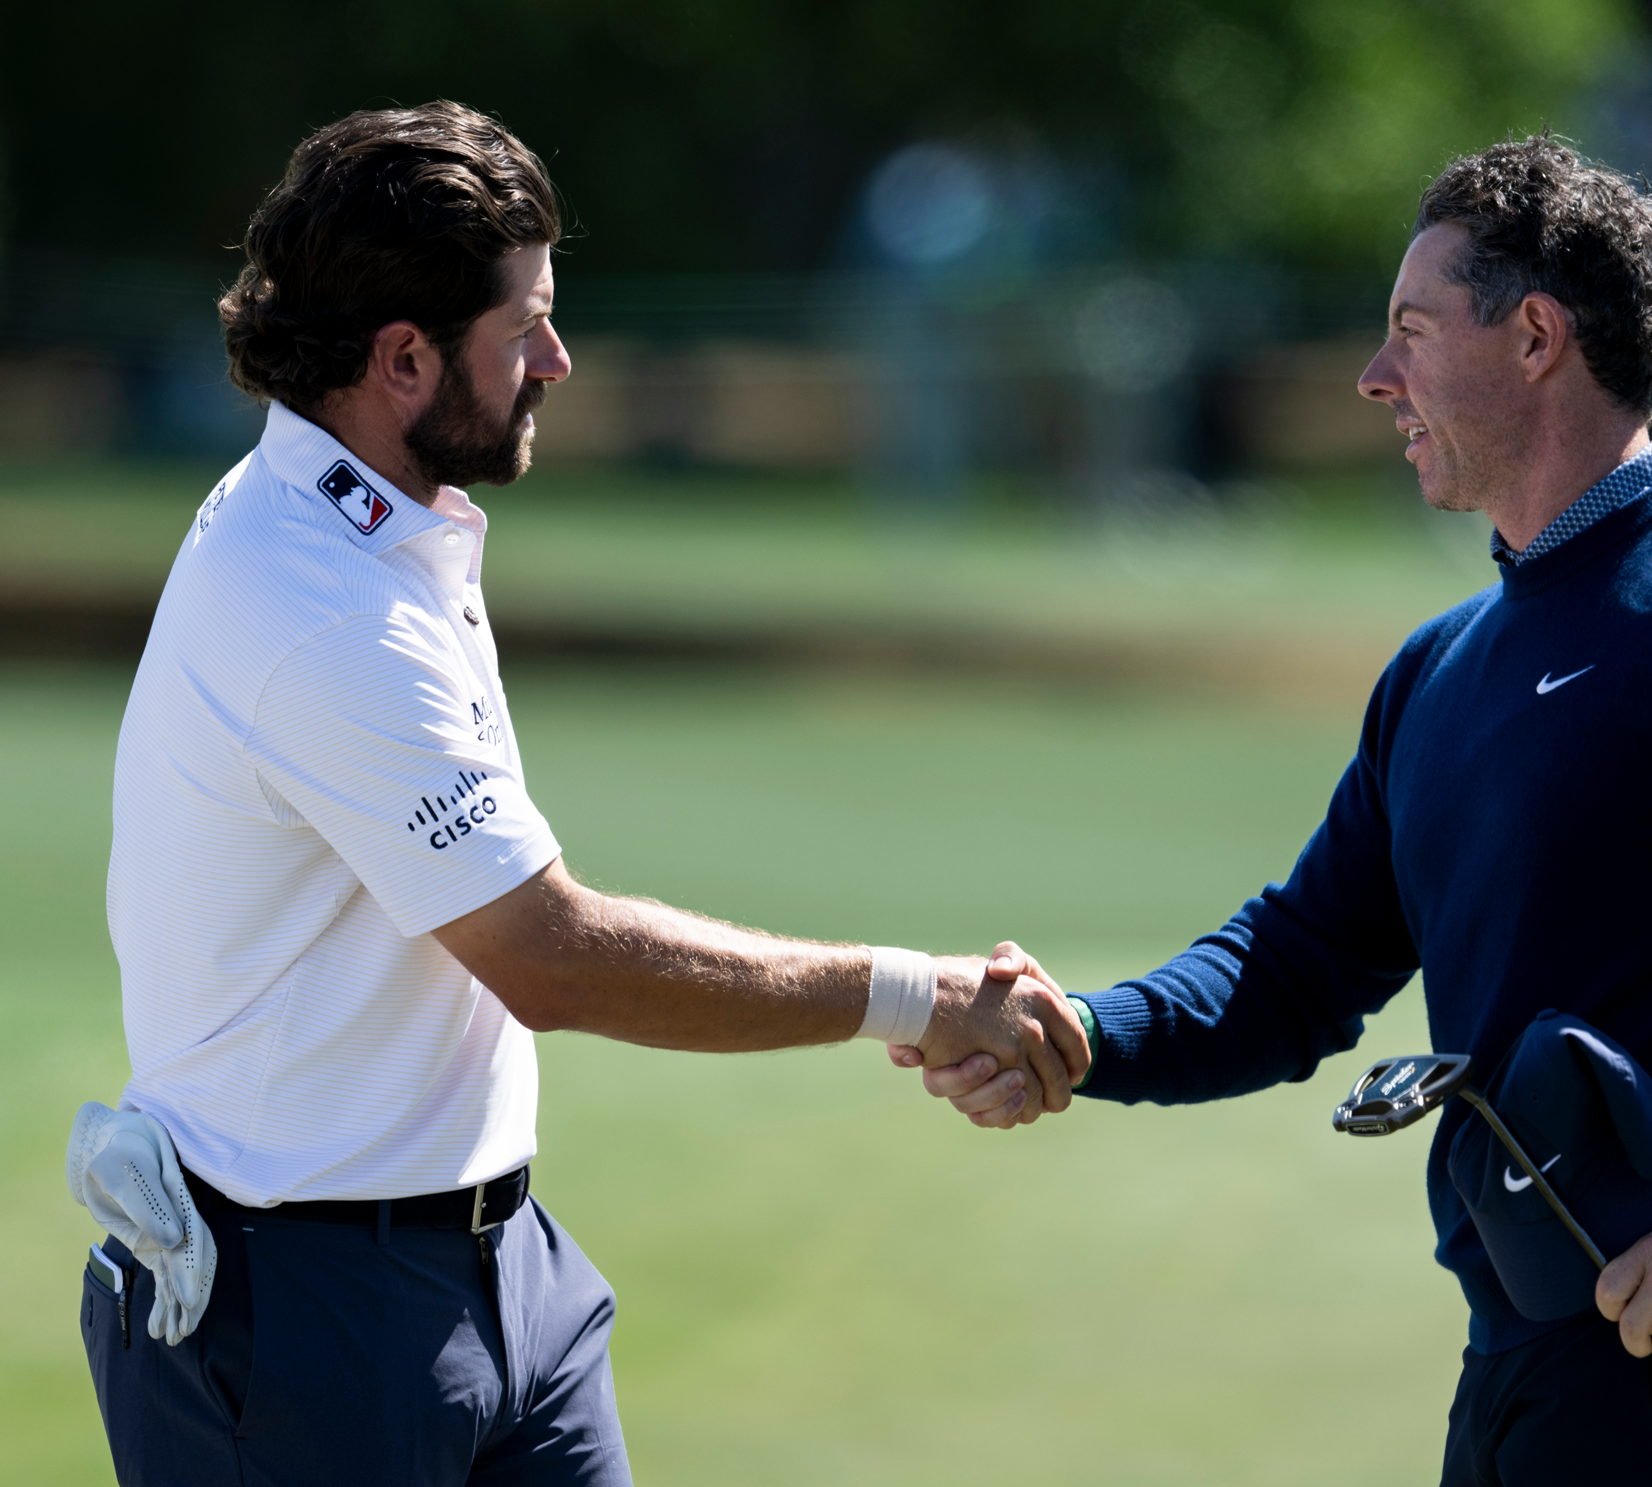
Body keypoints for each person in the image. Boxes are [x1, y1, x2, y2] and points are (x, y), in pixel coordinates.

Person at [907, 136, 1652, 1486]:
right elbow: (1303, 962)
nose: (1377, 379)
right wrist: (1086, 1032)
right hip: (1537, 1357)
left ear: (1537, 336)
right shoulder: (1445, 663)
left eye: (1412, 333)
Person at [68, 101, 1088, 1487]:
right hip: (305, 1323)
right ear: (404, 357)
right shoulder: (324, 612)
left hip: (499, 1271)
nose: (558, 358)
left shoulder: (376, 520)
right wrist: (916, 993)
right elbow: (548, 956)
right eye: (524, 329)